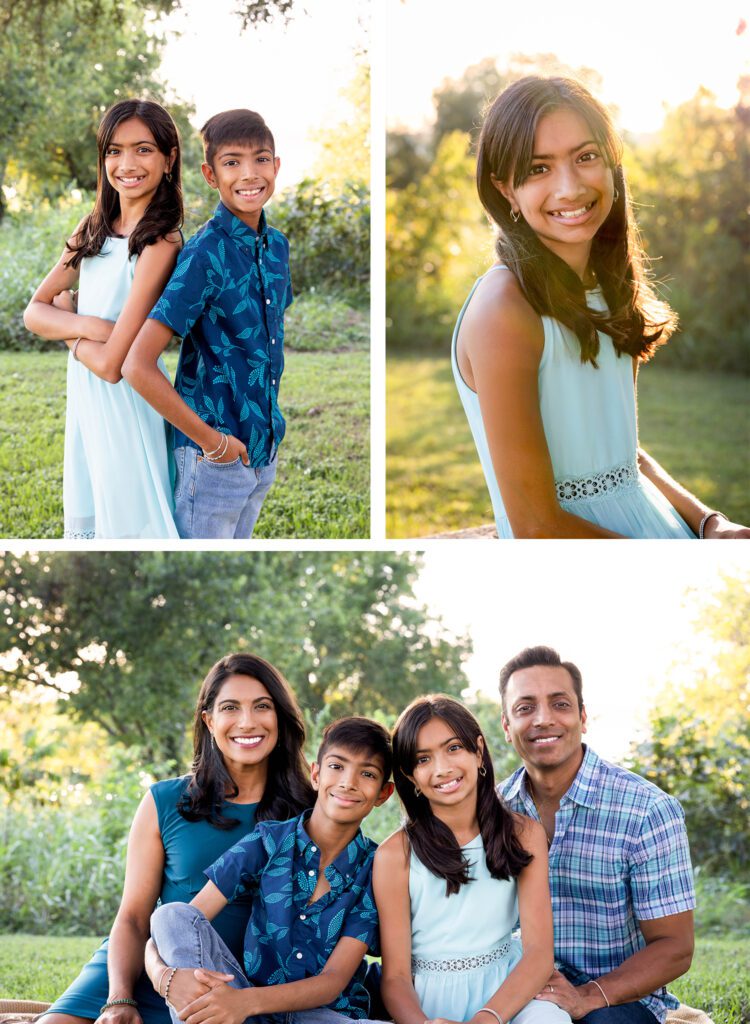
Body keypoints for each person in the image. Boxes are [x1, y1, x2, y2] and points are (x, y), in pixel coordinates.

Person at [452, 76, 749, 539]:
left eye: (586, 157)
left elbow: (622, 456)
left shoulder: (607, 289)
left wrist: (710, 523)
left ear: (612, 162)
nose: (570, 188)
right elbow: (536, 528)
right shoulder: (504, 309)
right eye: (538, 168)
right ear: (505, 188)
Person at [39, 653, 315, 1024]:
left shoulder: (312, 813)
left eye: (262, 706)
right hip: (144, 970)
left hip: (235, 990)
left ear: (280, 717)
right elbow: (133, 918)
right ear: (209, 720)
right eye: (230, 708)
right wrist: (120, 998)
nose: (248, 721)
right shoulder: (165, 801)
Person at [146, 716, 394, 1024]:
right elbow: (179, 925)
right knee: (170, 914)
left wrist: (242, 1003)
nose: (348, 782)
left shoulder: (375, 868)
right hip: (246, 1008)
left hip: (323, 1016)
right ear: (316, 775)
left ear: (383, 793)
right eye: (336, 766)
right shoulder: (269, 841)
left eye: (367, 773)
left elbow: (332, 981)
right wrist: (163, 976)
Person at [498, 645, 696, 1023]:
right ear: (507, 727)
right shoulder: (492, 811)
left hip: (615, 999)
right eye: (525, 708)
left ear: (582, 717)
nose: (543, 719)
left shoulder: (647, 810)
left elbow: (675, 947)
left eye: (560, 704)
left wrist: (587, 995)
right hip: (519, 991)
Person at [123, 109, 292, 540]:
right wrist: (214, 444)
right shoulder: (204, 253)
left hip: (262, 449)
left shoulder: (277, 248)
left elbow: (265, 344)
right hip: (211, 458)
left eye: (261, 159)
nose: (249, 173)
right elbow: (137, 365)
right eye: (232, 162)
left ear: (276, 165)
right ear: (211, 175)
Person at [23, 98, 182, 540]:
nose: (126, 164)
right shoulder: (92, 228)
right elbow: (34, 311)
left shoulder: (160, 241)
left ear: (169, 159)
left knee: (132, 524)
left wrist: (69, 333)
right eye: (114, 150)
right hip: (86, 399)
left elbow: (115, 366)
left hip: (128, 404)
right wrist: (91, 328)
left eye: (143, 149)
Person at [374, 695, 570, 1024]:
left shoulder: (524, 835)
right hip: (430, 1004)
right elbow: (395, 977)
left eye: (453, 748)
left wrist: (487, 1018)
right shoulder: (395, 856)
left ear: (478, 751)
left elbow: (539, 954)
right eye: (423, 759)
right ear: (409, 775)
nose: (442, 769)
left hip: (510, 993)